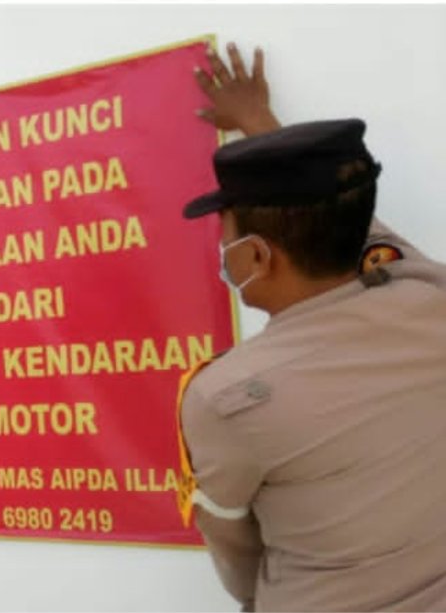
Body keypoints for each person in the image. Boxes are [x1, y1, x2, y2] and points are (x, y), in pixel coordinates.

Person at [179, 42, 446, 612]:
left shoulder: (227, 397)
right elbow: (357, 222)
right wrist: (261, 126)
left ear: (256, 256)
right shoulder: (429, 296)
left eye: (225, 234)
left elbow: (234, 554)